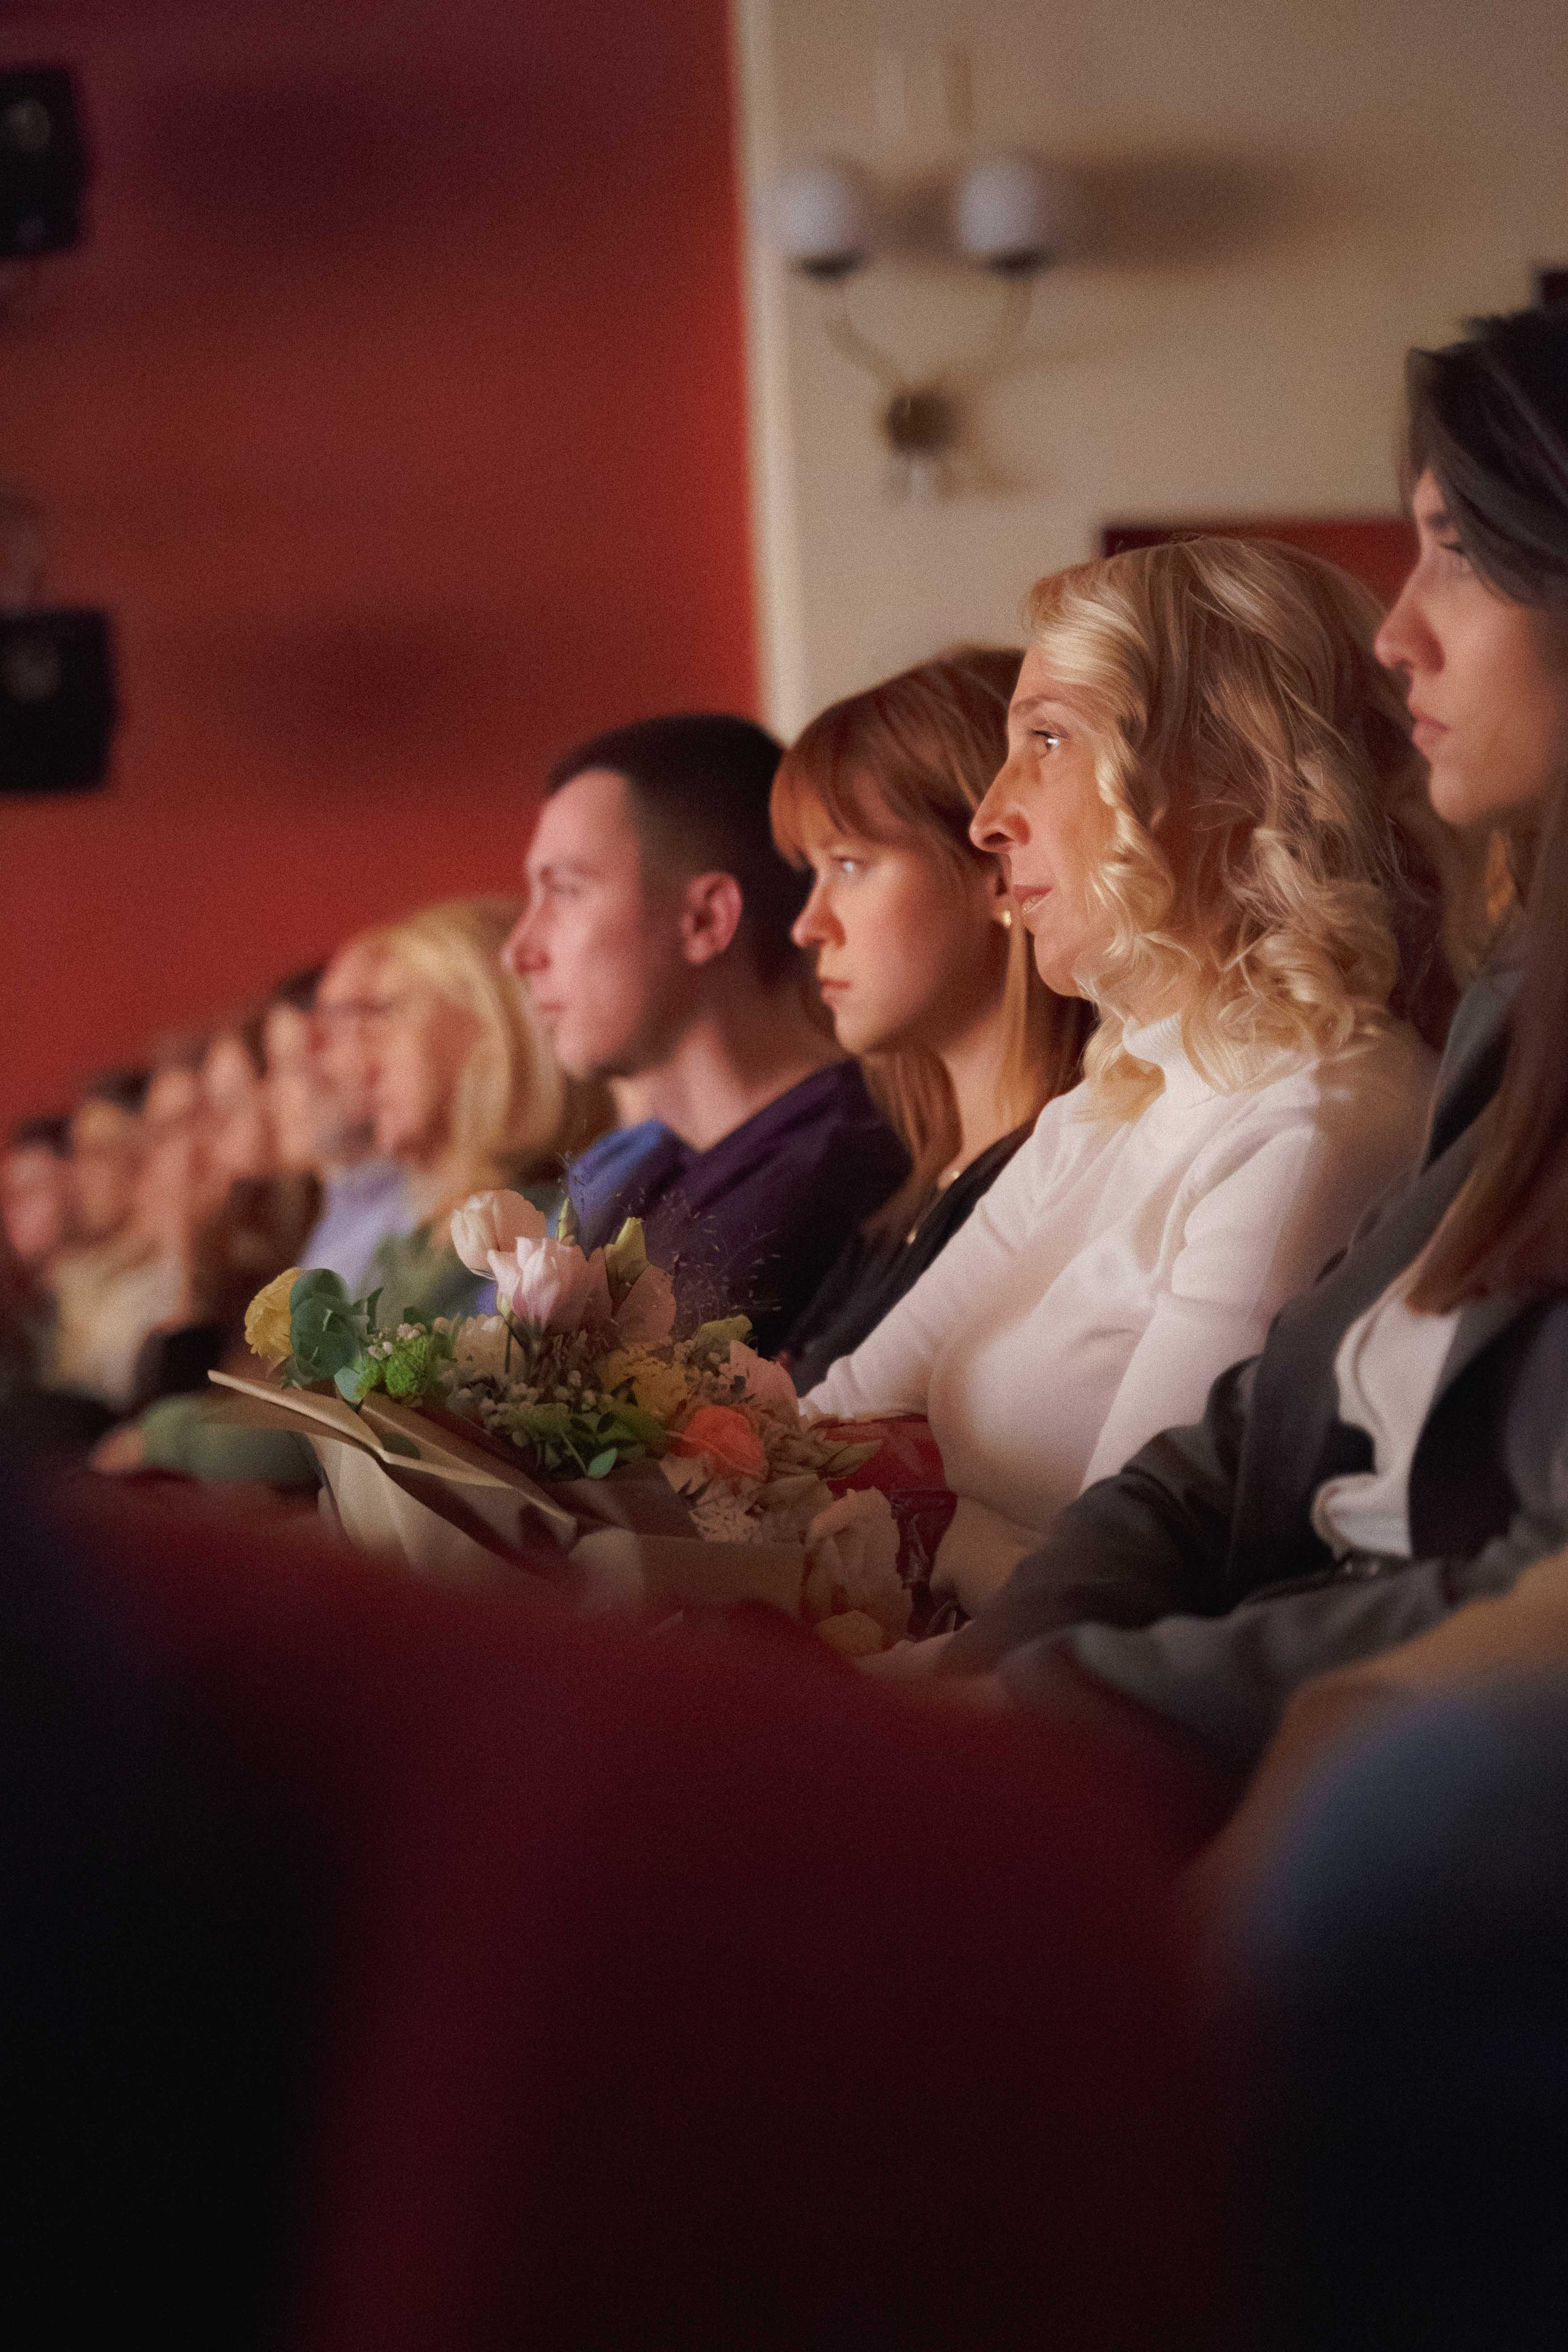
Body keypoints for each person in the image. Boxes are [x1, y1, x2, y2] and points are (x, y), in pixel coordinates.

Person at [936, 303, 1568, 1777]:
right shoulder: (1520, 994)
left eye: (1457, 554)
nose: (1398, 634)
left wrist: (1037, 1706)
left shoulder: (1330, 1107)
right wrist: (986, 1673)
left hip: (1375, 1777)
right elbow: (1231, 1443)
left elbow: (1527, 1599)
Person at [807, 536, 1457, 1620]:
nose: (989, 817)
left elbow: (1110, 1599)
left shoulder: (1313, 1125)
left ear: (1227, 771)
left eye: (1046, 739)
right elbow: (834, 1421)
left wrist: (924, 1559)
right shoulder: (1118, 1099)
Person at [505, 714, 910, 1355]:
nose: (520, 951)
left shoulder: (843, 1175)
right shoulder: (644, 1175)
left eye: (566, 891)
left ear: (706, 919)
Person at [772, 648, 1094, 1393]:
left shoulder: (1057, 1193)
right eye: (814, 873)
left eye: (850, 865)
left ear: (998, 872)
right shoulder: (900, 1203)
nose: (809, 925)